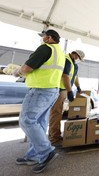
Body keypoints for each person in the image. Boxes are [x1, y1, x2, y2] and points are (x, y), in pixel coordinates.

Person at [13, 29, 65, 174]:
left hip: (40, 90)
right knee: (40, 123)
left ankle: (46, 151)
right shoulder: (59, 52)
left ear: (49, 38)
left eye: (43, 37)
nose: (42, 39)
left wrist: (17, 72)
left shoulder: (45, 48)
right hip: (51, 90)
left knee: (27, 121)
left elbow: (26, 68)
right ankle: (34, 156)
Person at [48, 49, 85, 147]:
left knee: (58, 113)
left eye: (79, 59)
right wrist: (69, 91)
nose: (78, 59)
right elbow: (65, 76)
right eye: (78, 57)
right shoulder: (66, 60)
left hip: (64, 90)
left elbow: (75, 77)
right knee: (56, 113)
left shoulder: (74, 65)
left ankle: (56, 135)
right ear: (74, 54)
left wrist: (78, 87)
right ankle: (54, 139)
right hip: (60, 89)